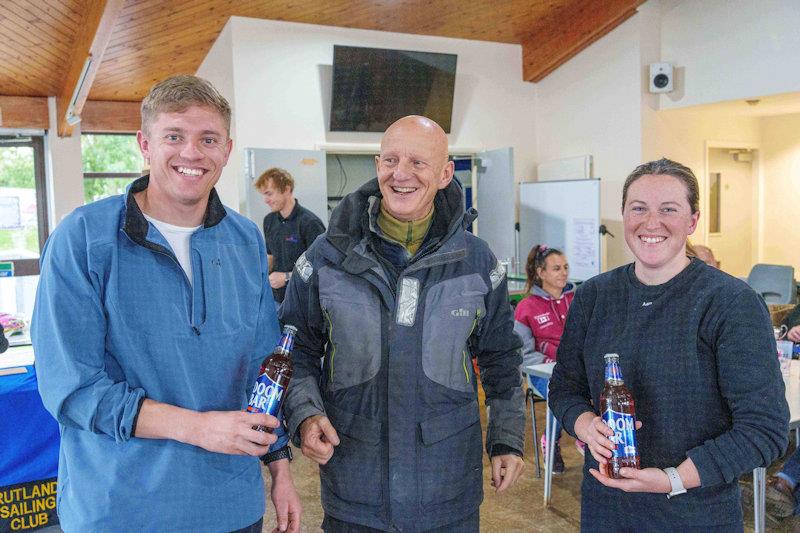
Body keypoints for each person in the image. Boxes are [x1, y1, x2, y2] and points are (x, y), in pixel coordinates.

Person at [31, 75, 301, 532]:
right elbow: (73, 388)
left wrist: (279, 467)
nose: (192, 153)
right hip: (121, 509)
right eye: (174, 136)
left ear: (227, 150)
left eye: (208, 139)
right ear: (145, 143)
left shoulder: (245, 239)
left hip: (231, 507)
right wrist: (200, 427)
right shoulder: (83, 239)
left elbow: (263, 366)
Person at [280, 115, 525, 531]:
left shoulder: (477, 262)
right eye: (391, 160)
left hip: (446, 487)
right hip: (356, 487)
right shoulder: (327, 257)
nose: (401, 174)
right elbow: (295, 349)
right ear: (377, 166)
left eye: (418, 162)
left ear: (446, 173)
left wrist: (506, 438)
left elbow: (501, 356)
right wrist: (304, 414)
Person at [548, 158, 788, 531]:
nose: (651, 223)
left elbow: (763, 430)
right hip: (606, 509)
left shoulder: (730, 302)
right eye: (638, 208)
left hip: (695, 514)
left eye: (669, 210)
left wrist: (672, 479)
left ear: (692, 221)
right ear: (624, 215)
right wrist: (584, 425)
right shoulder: (593, 295)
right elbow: (565, 387)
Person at [513, 244, 578, 473]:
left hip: (578, 369)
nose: (564, 273)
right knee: (560, 389)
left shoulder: (578, 299)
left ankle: (588, 436)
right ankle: (552, 442)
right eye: (556, 268)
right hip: (542, 373)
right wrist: (550, 364)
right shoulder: (526, 307)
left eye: (566, 267)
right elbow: (523, 354)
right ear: (541, 273)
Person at [256, 167, 325, 304]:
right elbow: (271, 256)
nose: (265, 200)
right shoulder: (269, 221)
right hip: (276, 300)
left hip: (303, 301)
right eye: (264, 195)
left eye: (269, 194)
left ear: (286, 189)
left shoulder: (310, 223)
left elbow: (321, 268)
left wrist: (286, 277)